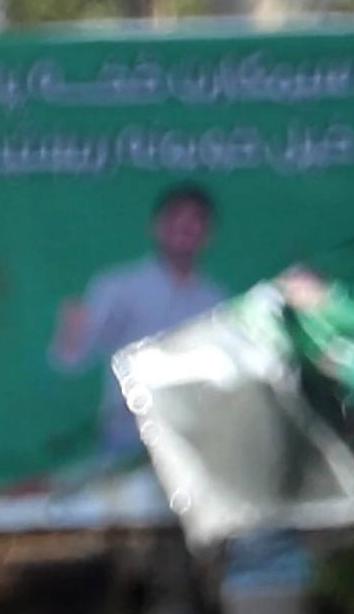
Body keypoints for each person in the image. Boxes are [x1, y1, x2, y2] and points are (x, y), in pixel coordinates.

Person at [50, 181, 233, 457]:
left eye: (195, 221)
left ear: (208, 235)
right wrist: (72, 331)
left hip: (193, 448)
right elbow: (71, 361)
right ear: (156, 227)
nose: (184, 228)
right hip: (124, 441)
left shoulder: (217, 301)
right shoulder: (116, 287)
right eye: (175, 219)